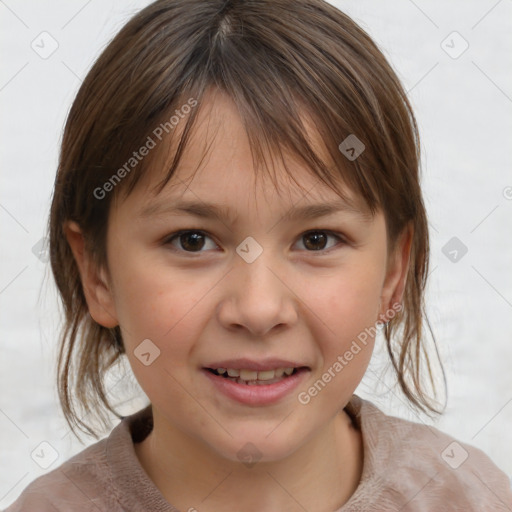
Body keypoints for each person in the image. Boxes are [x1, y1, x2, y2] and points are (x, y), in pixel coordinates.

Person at [5, 0, 512, 510]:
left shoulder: (469, 497)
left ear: (393, 274)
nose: (258, 309)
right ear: (97, 274)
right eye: (192, 240)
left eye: (316, 240)